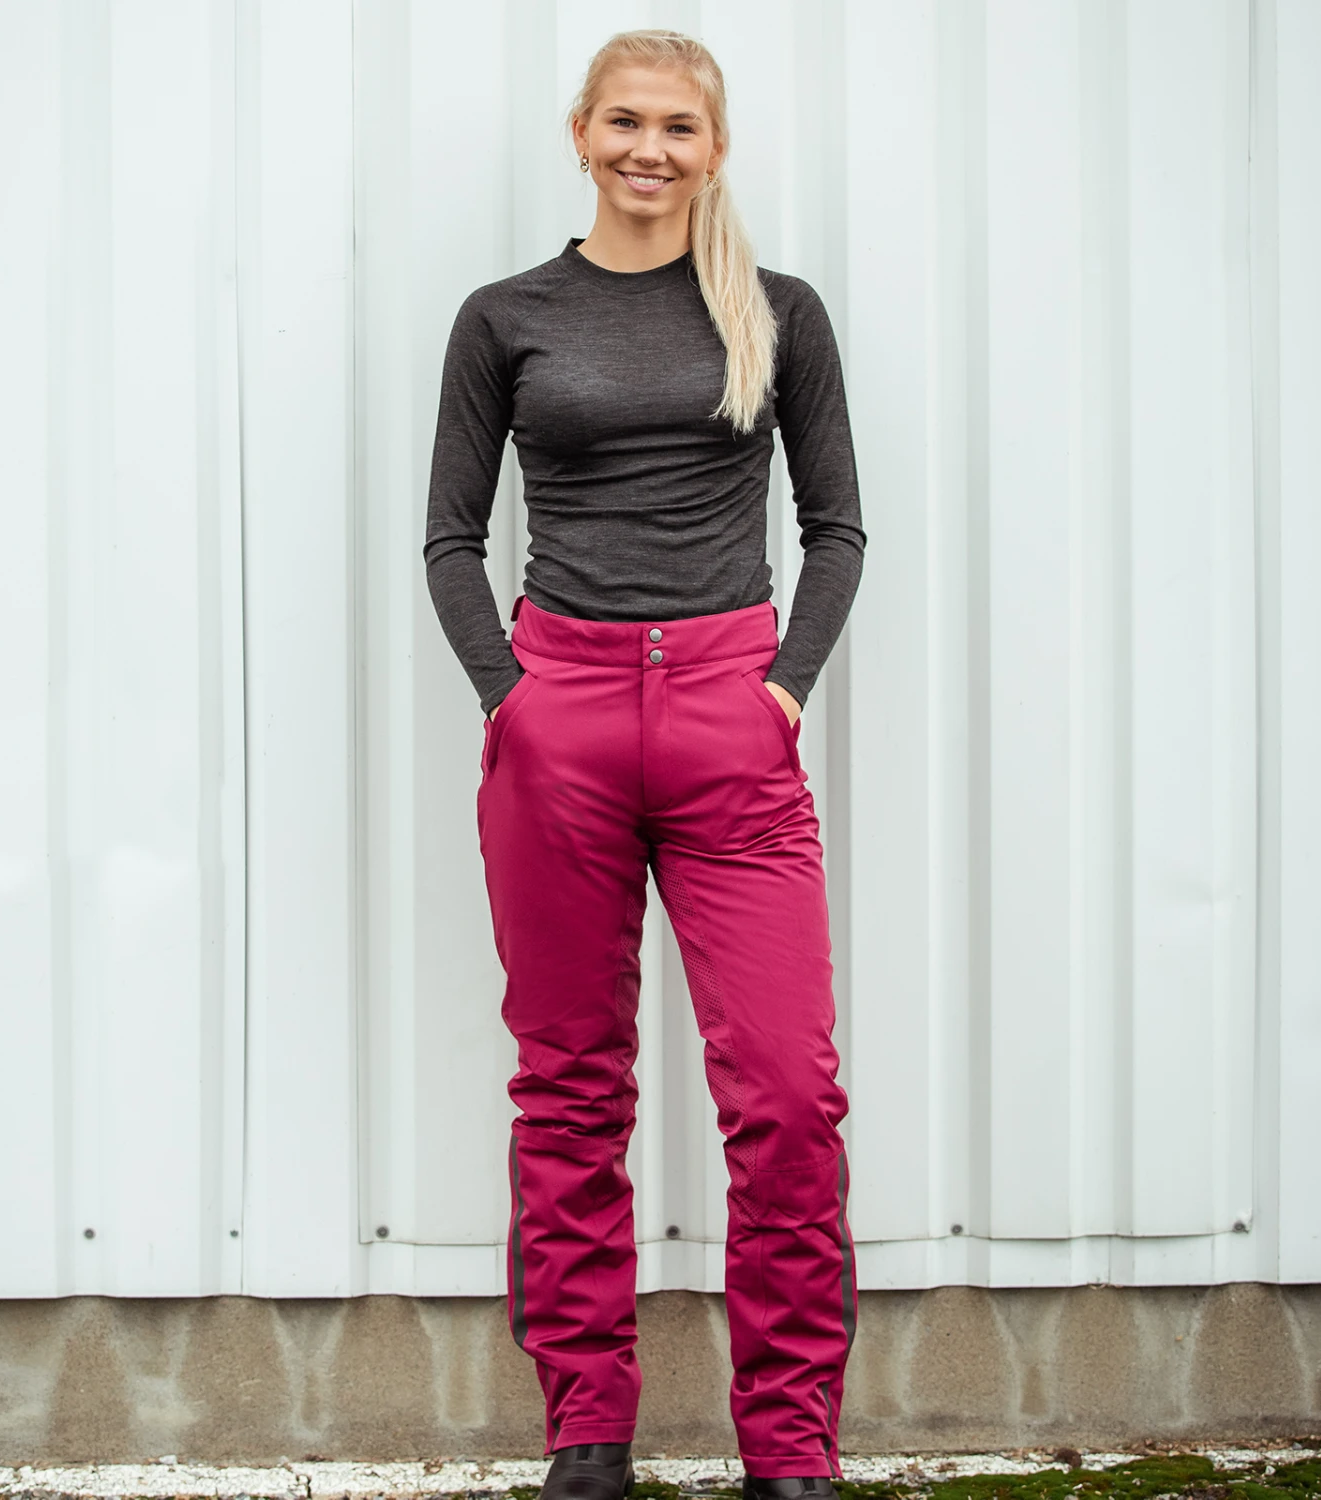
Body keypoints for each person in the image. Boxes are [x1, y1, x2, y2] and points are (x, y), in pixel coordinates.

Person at [422, 28, 866, 1500]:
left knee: (788, 1093)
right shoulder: (506, 317)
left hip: (733, 716)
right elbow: (450, 538)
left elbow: (838, 529)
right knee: (570, 1088)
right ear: (581, 133)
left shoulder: (779, 312)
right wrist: (513, 701)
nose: (649, 150)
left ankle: (791, 1447)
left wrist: (782, 690)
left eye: (679, 126)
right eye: (625, 121)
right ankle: (587, 1433)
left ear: (713, 147)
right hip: (563, 717)